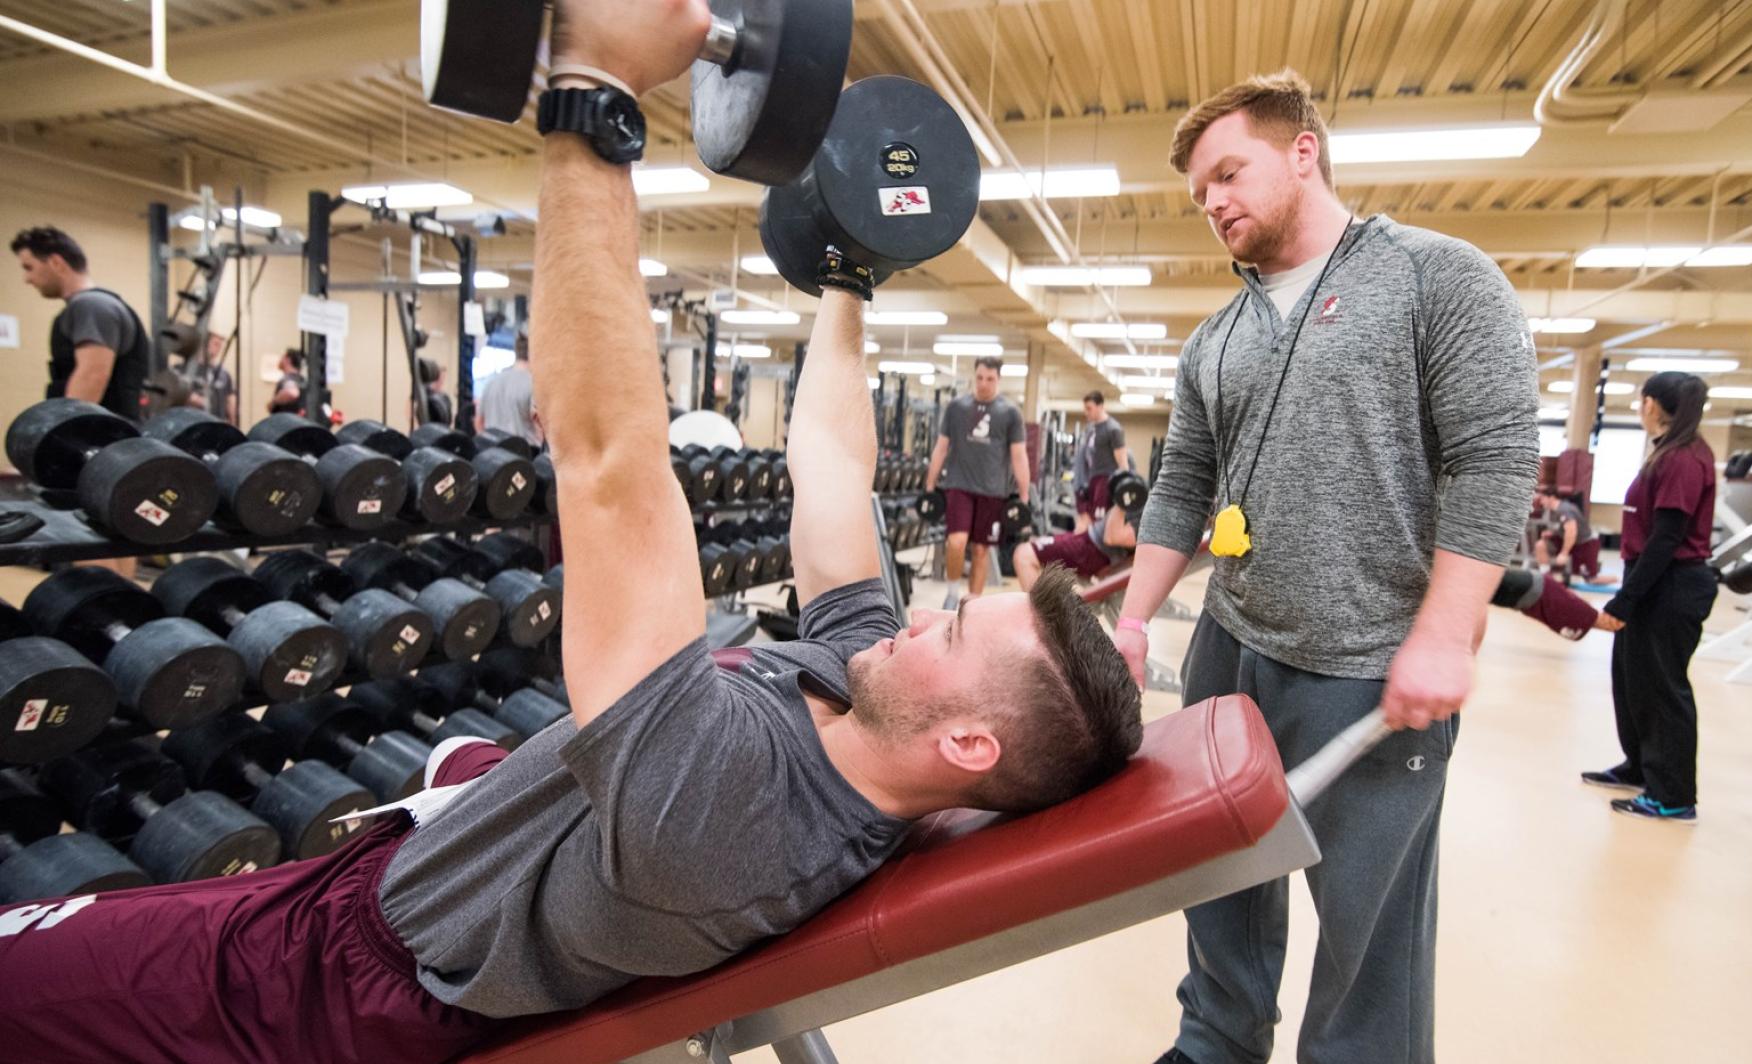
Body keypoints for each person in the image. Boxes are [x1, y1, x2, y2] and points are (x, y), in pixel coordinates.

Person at [0, 6, 1144, 1061]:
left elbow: (607, 463)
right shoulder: (861, 687)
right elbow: (834, 467)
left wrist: (593, 93)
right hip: (394, 869)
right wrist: (848, 271)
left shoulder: (732, 814)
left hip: (322, 983)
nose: (922, 618)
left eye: (953, 632)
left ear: (968, 747)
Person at [1113, 71, 1538, 1064]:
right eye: (1200, 192)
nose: (1213, 201)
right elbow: (1181, 487)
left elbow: (1493, 457)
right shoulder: (1216, 337)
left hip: (1368, 660)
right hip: (1231, 644)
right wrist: (1132, 620)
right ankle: (1217, 1039)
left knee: (1366, 922)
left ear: (1302, 150)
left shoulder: (1437, 277)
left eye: (1229, 172)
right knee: (1217, 875)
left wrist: (1444, 632)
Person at [1585, 371, 1717, 823]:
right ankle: (1640, 766)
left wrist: (1627, 598)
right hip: (1651, 577)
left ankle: (1674, 796)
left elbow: (1667, 537)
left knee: (1663, 689)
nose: (1639, 407)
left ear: (1654, 404)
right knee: (1632, 680)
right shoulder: (1666, 451)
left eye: (1642, 400)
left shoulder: (1683, 458)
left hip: (1671, 583)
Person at [923, 356, 1030, 610]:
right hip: (959, 485)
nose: (983, 383)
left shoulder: (1011, 413)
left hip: (993, 491)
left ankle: (972, 605)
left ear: (999, 379)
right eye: (980, 377)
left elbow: (1019, 456)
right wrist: (930, 485)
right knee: (956, 542)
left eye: (990, 379)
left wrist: (1024, 496)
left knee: (981, 550)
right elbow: (941, 447)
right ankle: (952, 594)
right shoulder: (956, 407)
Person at [11, 226, 151, 420]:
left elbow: (92, 375)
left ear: (56, 262)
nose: (27, 279)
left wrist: (63, 428)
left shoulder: (90, 305)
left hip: (104, 435)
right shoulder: (90, 306)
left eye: (29, 267)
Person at [1014, 501, 1137, 589]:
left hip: (1090, 550)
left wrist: (1122, 501)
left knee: (1024, 554)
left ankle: (1036, 617)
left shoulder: (1145, 516)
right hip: (1085, 541)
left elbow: (1111, 537)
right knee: (1028, 547)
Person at [1071, 391, 1128, 533]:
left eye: (1089, 408)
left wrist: (1124, 487)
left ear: (1100, 406)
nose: (1086, 412)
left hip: (1106, 481)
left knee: (1099, 524)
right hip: (1092, 480)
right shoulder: (1090, 428)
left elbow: (1123, 464)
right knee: (1087, 520)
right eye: (1085, 408)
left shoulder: (1113, 429)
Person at [1534, 486, 1612, 584]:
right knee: (1541, 545)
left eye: (1542, 499)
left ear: (1551, 497)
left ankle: (1618, 580)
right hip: (1570, 540)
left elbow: (1571, 532)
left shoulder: (1564, 509)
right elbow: (1564, 528)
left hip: (1585, 543)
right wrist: (1553, 533)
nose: (1541, 502)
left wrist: (1564, 553)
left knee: (1591, 579)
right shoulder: (1555, 510)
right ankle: (1546, 577)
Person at [475, 333, 539, 445]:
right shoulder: (533, 384)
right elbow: (538, 426)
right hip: (524, 452)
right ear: (534, 354)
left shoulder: (491, 382)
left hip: (492, 452)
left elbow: (479, 422)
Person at [182, 331, 238, 423]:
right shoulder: (187, 370)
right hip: (193, 423)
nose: (219, 348)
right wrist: (197, 400)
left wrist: (233, 423)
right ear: (204, 344)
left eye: (220, 345)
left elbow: (230, 401)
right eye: (216, 344)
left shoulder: (224, 374)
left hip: (217, 424)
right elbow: (179, 396)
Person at [269, 348, 307, 415]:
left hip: (285, 420)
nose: (280, 360)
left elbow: (292, 393)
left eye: (282, 357)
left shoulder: (288, 379)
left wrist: (274, 401)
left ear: (287, 359)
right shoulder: (302, 380)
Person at [418, 357, 454, 426]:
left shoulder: (445, 398)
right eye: (440, 378)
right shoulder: (424, 394)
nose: (441, 381)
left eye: (443, 378)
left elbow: (450, 420)